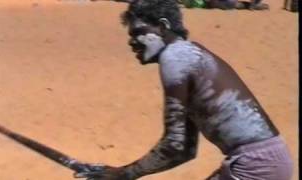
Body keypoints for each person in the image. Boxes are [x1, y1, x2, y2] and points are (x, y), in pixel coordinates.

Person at [72, 0, 293, 179]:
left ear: (163, 26)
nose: (132, 41)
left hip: (255, 167)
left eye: (138, 31)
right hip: (267, 163)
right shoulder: (189, 56)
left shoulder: (176, 57)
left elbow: (174, 144)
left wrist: (123, 174)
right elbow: (185, 149)